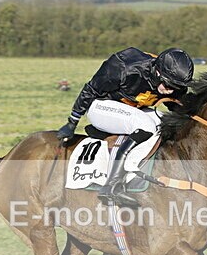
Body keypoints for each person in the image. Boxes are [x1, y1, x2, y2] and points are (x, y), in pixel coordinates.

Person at [57, 47, 194, 206]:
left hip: (132, 110)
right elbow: (91, 89)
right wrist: (72, 122)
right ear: (157, 72)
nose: (171, 90)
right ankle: (112, 185)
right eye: (169, 85)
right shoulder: (124, 67)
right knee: (145, 126)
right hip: (100, 106)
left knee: (164, 123)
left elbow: (179, 107)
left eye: (176, 87)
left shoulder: (173, 81)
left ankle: (137, 174)